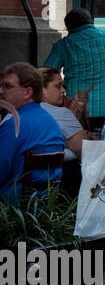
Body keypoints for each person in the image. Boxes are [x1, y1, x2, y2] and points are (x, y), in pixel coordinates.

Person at [42, 8, 105, 129]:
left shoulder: (63, 45)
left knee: (80, 145)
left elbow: (46, 73)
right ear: (91, 22)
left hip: (77, 111)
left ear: (69, 27)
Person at [0, 63, 66, 202]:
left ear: (27, 92)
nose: (1, 91)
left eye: (8, 86)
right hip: (45, 210)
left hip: (11, 213)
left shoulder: (15, 125)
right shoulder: (49, 121)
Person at [39, 69, 87, 164]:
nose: (63, 90)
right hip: (52, 177)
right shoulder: (61, 113)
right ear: (41, 89)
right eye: (58, 86)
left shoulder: (12, 115)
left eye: (63, 86)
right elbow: (84, 150)